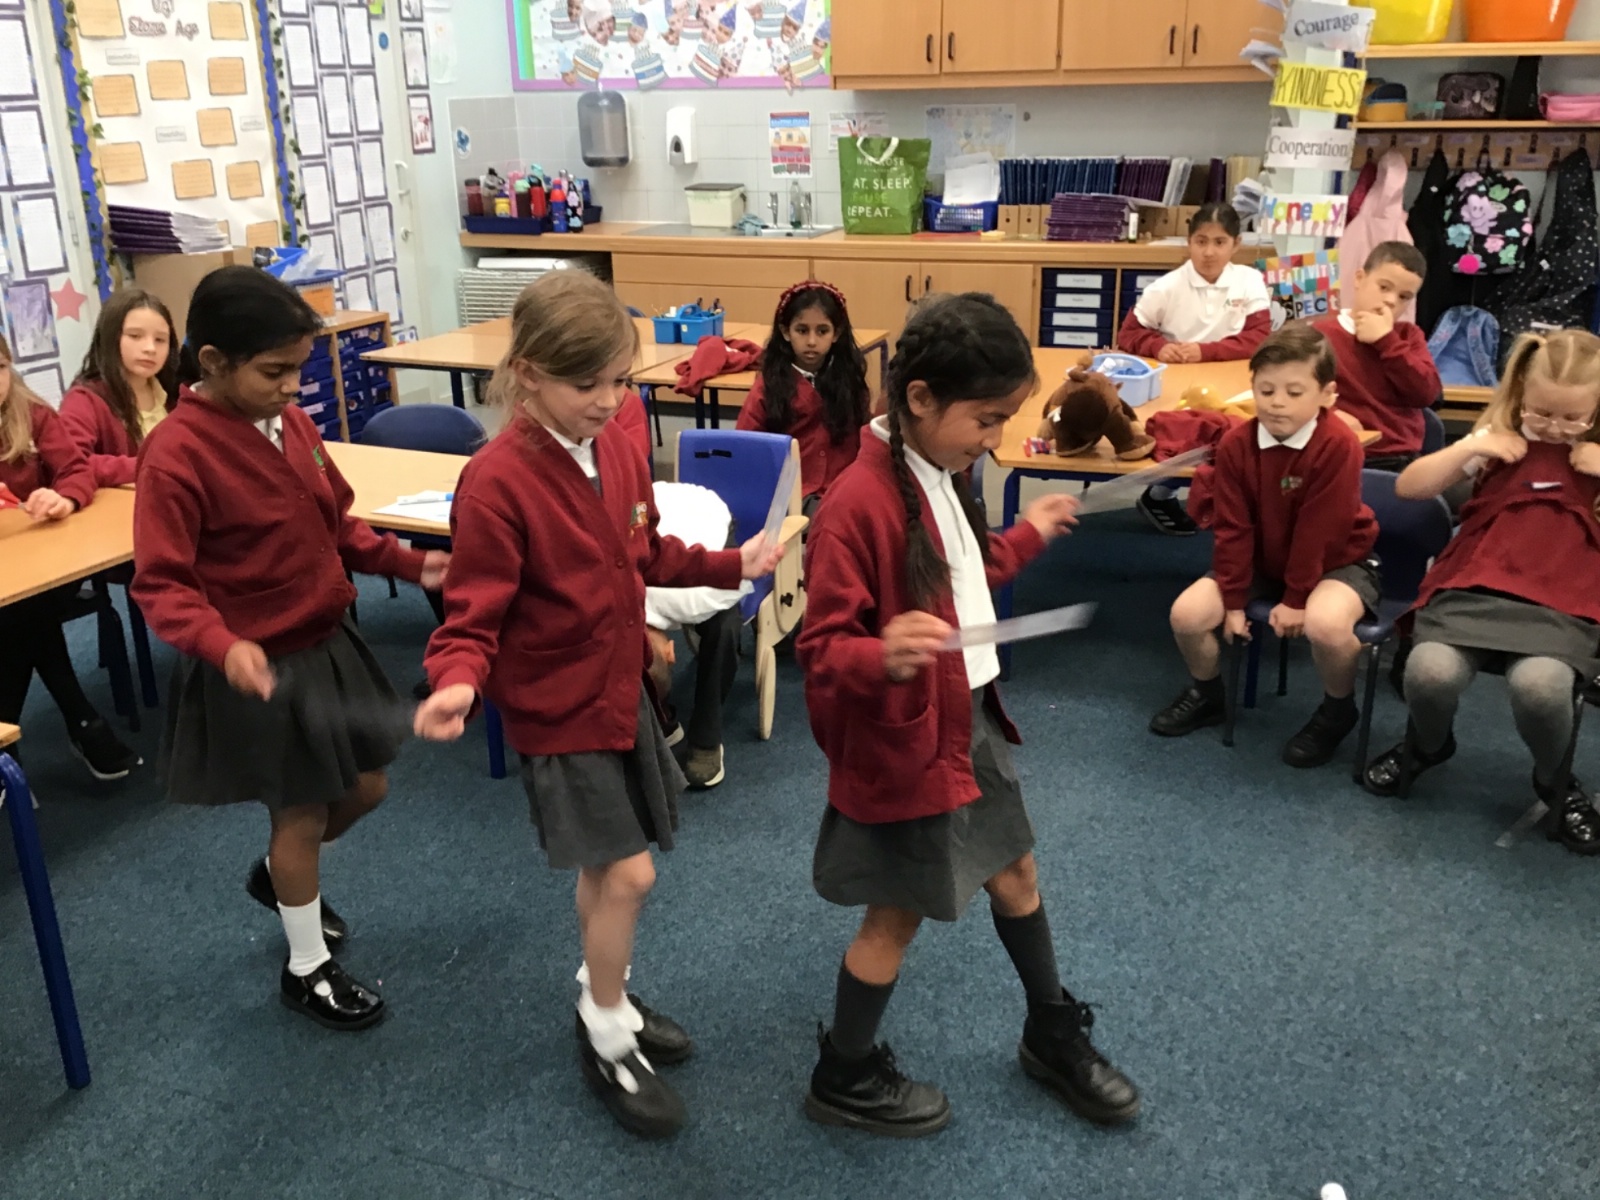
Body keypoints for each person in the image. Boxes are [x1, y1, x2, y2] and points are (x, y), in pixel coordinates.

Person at [413, 271, 781, 1140]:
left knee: (604, 871)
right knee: (630, 875)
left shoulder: (615, 444)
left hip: (618, 687)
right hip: (558, 709)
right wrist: (457, 678)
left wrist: (732, 565)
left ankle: (598, 990)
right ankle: (609, 1033)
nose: (611, 401)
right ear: (528, 373)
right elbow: (473, 611)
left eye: (620, 380)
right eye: (588, 384)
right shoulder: (496, 482)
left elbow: (643, 553)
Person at [796, 292, 1138, 1138]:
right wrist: (880, 651)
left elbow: (961, 569)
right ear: (919, 398)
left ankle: (1050, 1030)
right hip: (904, 741)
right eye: (987, 420)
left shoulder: (939, 470)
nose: (994, 438)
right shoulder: (856, 503)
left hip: (965, 718)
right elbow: (821, 649)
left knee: (1015, 872)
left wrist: (1027, 536)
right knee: (896, 914)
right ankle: (843, 1072)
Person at [132, 266, 447, 1031]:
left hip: (326, 639)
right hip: (258, 663)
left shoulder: (291, 424)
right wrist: (221, 644)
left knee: (366, 788)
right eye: (274, 371)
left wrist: (412, 564)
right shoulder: (176, 453)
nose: (292, 387)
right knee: (301, 813)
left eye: (298, 369)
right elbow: (162, 584)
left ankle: (280, 874)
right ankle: (307, 970)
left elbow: (340, 524)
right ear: (213, 362)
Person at [1363, 330, 1600, 855]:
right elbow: (1409, 488)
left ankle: (1554, 779)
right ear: (1521, 394)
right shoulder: (1497, 439)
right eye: (1542, 413)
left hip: (1562, 600)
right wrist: (1472, 445)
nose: (1555, 428)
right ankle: (1428, 746)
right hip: (1474, 585)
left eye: (1572, 418)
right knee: (1428, 671)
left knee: (1541, 688)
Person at [1150, 323, 1381, 768]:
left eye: (1294, 392)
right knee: (1187, 615)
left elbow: (1319, 531)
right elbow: (1233, 527)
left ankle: (1337, 710)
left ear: (1327, 395)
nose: (1277, 402)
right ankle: (1208, 694)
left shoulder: (1338, 446)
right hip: (1264, 559)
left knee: (1326, 625)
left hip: (1336, 561)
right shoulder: (1237, 443)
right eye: (1266, 390)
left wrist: (1296, 598)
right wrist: (1235, 601)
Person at [0, 333, 141, 779]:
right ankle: (81, 721)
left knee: (26, 614)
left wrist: (65, 499)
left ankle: (13, 740)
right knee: (26, 617)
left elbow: (76, 469)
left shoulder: (32, 413)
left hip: (41, 568)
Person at [1116, 203, 1271, 536]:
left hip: (1233, 381)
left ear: (1236, 244)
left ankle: (1237, 505)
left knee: (1240, 437)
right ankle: (1161, 494)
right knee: (1187, 438)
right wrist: (1158, 346)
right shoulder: (1167, 287)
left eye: (1219, 242)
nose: (1209, 252)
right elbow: (1128, 334)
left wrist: (1206, 351)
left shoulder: (1249, 281)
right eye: (1201, 241)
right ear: (1189, 242)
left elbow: (1259, 337)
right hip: (1180, 385)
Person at [643, 480, 748, 790]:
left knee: (724, 626)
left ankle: (706, 738)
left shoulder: (699, 598)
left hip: (707, 519)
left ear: (672, 652)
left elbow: (733, 586)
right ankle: (661, 714)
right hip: (650, 518)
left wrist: (739, 565)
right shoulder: (616, 598)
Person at [736, 280, 870, 515]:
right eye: (801, 330)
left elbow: (864, 442)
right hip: (789, 495)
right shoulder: (769, 385)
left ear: (836, 333)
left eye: (822, 331)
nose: (811, 341)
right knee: (835, 518)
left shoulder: (850, 380)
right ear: (785, 332)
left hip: (843, 488)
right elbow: (746, 446)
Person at [1312, 241, 1440, 473]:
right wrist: (1329, 413)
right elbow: (1300, 393)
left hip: (1400, 458)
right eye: (1384, 287)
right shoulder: (1320, 336)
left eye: (1404, 297)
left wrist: (1386, 341)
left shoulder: (1408, 336)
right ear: (1359, 278)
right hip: (1342, 455)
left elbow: (1426, 394)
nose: (1391, 301)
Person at [60, 288, 178, 487]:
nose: (150, 348)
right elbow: (71, 462)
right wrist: (148, 466)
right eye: (135, 336)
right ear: (111, 338)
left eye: (160, 340)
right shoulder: (85, 399)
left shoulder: (176, 395)